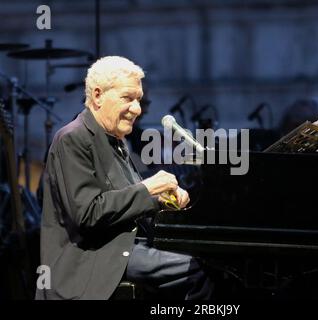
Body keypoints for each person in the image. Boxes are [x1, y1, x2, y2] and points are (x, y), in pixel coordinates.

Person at [36, 56, 213, 300]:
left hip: (121, 249)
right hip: (92, 260)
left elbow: (124, 203)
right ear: (97, 95)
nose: (138, 109)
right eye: (128, 98)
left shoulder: (114, 141)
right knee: (196, 272)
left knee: (211, 263)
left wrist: (163, 199)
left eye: (139, 100)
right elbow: (88, 214)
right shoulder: (72, 138)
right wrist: (148, 188)